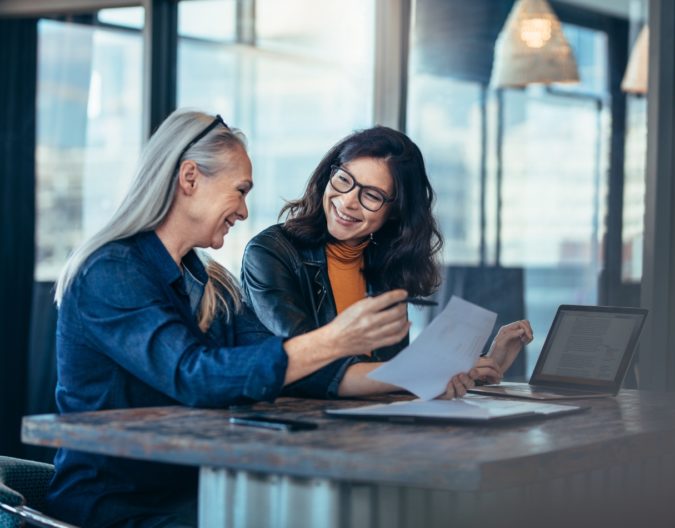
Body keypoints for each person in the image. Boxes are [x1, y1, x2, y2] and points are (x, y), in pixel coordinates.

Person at [46, 111, 421, 528]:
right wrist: (335, 339)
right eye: (240, 191)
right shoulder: (111, 272)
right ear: (190, 179)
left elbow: (288, 370)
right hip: (117, 508)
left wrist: (426, 375)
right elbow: (194, 376)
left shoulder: (210, 283)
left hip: (195, 495)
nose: (244, 211)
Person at [241, 126, 534, 398]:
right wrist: (426, 373)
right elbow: (308, 361)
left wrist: (477, 367)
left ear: (395, 212)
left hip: (368, 426)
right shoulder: (271, 252)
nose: (347, 201)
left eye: (371, 195)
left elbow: (391, 374)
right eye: (343, 180)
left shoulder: (387, 264)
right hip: (294, 429)